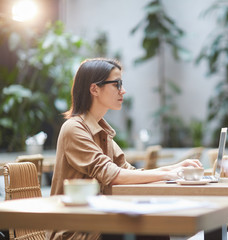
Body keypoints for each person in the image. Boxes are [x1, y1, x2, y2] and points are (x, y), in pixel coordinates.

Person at [47, 58, 202, 240]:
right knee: (151, 230)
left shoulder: (101, 131)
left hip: (99, 222)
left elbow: (128, 172)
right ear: (94, 89)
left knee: (153, 228)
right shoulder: (74, 128)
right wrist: (168, 174)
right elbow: (113, 176)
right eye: (117, 84)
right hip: (76, 231)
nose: (123, 90)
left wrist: (174, 168)